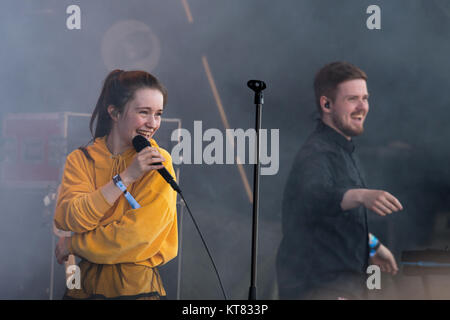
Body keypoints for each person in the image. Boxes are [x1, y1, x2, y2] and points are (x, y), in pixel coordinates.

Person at [276, 61, 403, 300]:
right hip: (319, 286)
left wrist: (372, 244)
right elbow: (314, 199)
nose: (362, 107)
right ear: (326, 104)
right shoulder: (317, 153)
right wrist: (361, 195)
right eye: (352, 99)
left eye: (365, 98)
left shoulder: (342, 150)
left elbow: (330, 223)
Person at [53, 69, 178, 299]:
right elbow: (71, 217)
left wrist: (74, 244)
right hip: (82, 289)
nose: (153, 123)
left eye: (158, 114)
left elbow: (137, 237)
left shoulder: (159, 161)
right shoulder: (81, 159)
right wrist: (126, 177)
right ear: (114, 112)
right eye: (144, 112)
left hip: (136, 289)